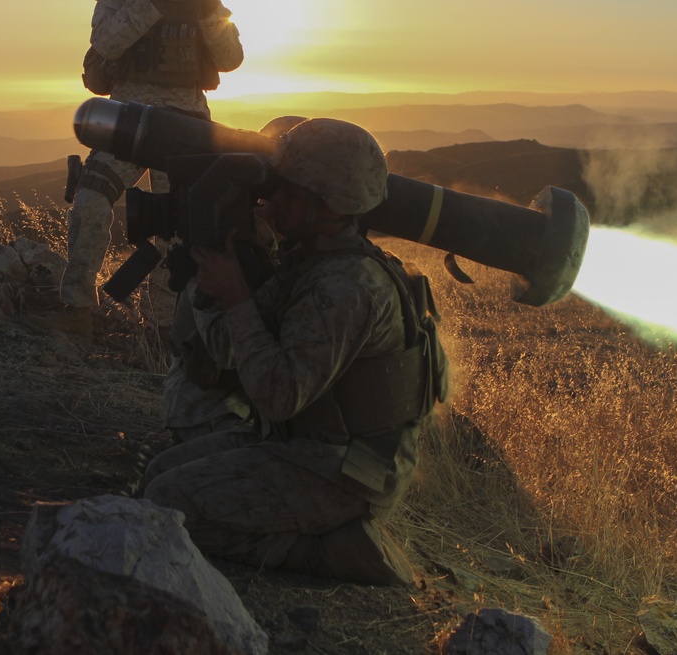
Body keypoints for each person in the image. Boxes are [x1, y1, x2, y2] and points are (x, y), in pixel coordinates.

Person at [143, 118, 448, 586]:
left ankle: (331, 550)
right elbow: (227, 350)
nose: (270, 200)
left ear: (327, 204)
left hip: (347, 472)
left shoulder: (345, 286)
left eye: (287, 190)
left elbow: (279, 396)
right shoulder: (310, 257)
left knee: (168, 503)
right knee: (157, 475)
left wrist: (238, 297)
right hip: (307, 443)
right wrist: (217, 279)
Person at [60, 0, 244, 331]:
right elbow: (105, 45)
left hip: (186, 125)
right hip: (128, 118)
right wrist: (154, 6)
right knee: (90, 200)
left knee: (176, 228)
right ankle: (76, 310)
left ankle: (163, 328)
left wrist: (204, 12)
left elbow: (230, 59)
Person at [161, 116, 306, 444]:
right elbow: (225, 351)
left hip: (262, 406)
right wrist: (233, 287)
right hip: (212, 411)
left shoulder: (284, 248)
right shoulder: (223, 242)